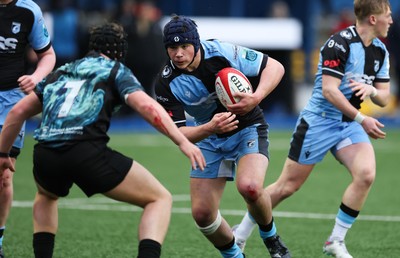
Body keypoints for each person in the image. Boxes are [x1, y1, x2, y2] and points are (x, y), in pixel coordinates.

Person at [0, 22, 206, 258]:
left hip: (46, 154)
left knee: (46, 196)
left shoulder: (61, 71)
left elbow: (16, 113)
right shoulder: (114, 70)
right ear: (119, 51)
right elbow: (148, 106)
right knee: (159, 199)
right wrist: (182, 141)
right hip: (86, 152)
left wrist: (3, 154)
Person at [232, 0, 393, 257]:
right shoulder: (338, 44)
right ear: (373, 19)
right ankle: (240, 233)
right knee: (287, 187)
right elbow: (329, 91)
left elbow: (384, 96)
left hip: (347, 124)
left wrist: (372, 90)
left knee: (365, 174)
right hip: (318, 121)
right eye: (388, 15)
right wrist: (363, 119)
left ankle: (335, 241)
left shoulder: (380, 51)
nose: (391, 20)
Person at [155, 15, 291, 258]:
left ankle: (271, 238)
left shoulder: (221, 52)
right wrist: (209, 128)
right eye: (172, 47)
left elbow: (275, 67)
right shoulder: (166, 82)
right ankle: (235, 256)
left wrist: (256, 97)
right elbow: (178, 134)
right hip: (208, 137)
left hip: (247, 126)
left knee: (249, 187)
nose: (178, 53)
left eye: (184, 46)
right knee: (202, 215)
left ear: (196, 44)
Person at [0, 0, 56, 257]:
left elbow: (47, 54)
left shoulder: (28, 11)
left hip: (11, 102)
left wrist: (35, 77)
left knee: (3, 174)